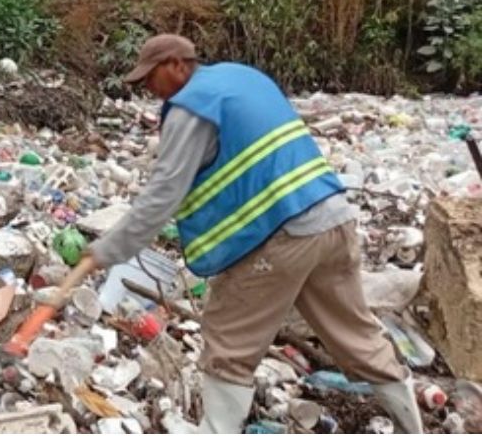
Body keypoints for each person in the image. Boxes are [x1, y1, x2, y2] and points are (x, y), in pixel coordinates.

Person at [74, 34, 423, 434]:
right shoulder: (242, 78)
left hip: (282, 234)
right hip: (333, 219)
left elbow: (162, 194)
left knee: (228, 336)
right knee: (355, 333)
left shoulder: (193, 108)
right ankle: (414, 425)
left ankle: (217, 428)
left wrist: (107, 250)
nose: (150, 91)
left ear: (175, 64)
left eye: (150, 78)